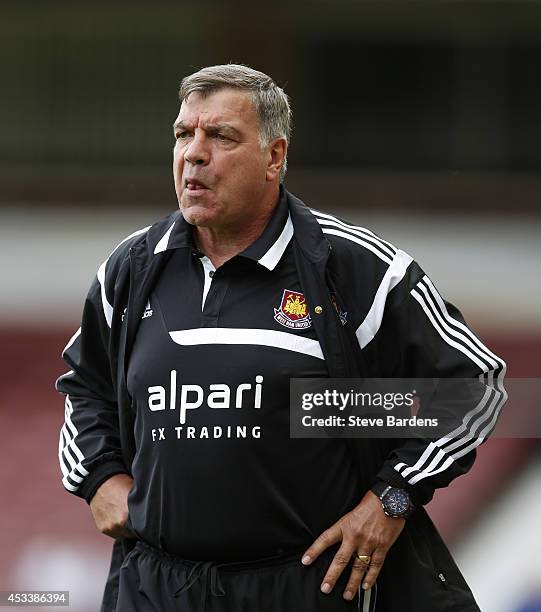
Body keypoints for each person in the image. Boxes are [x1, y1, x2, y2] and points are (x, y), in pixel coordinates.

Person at [56, 64, 506, 612]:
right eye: (183, 134)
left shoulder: (353, 268)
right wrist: (99, 476)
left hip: (305, 586)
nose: (194, 154)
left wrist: (390, 499)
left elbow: (472, 388)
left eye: (220, 136)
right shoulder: (130, 268)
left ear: (274, 157)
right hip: (156, 584)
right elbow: (86, 388)